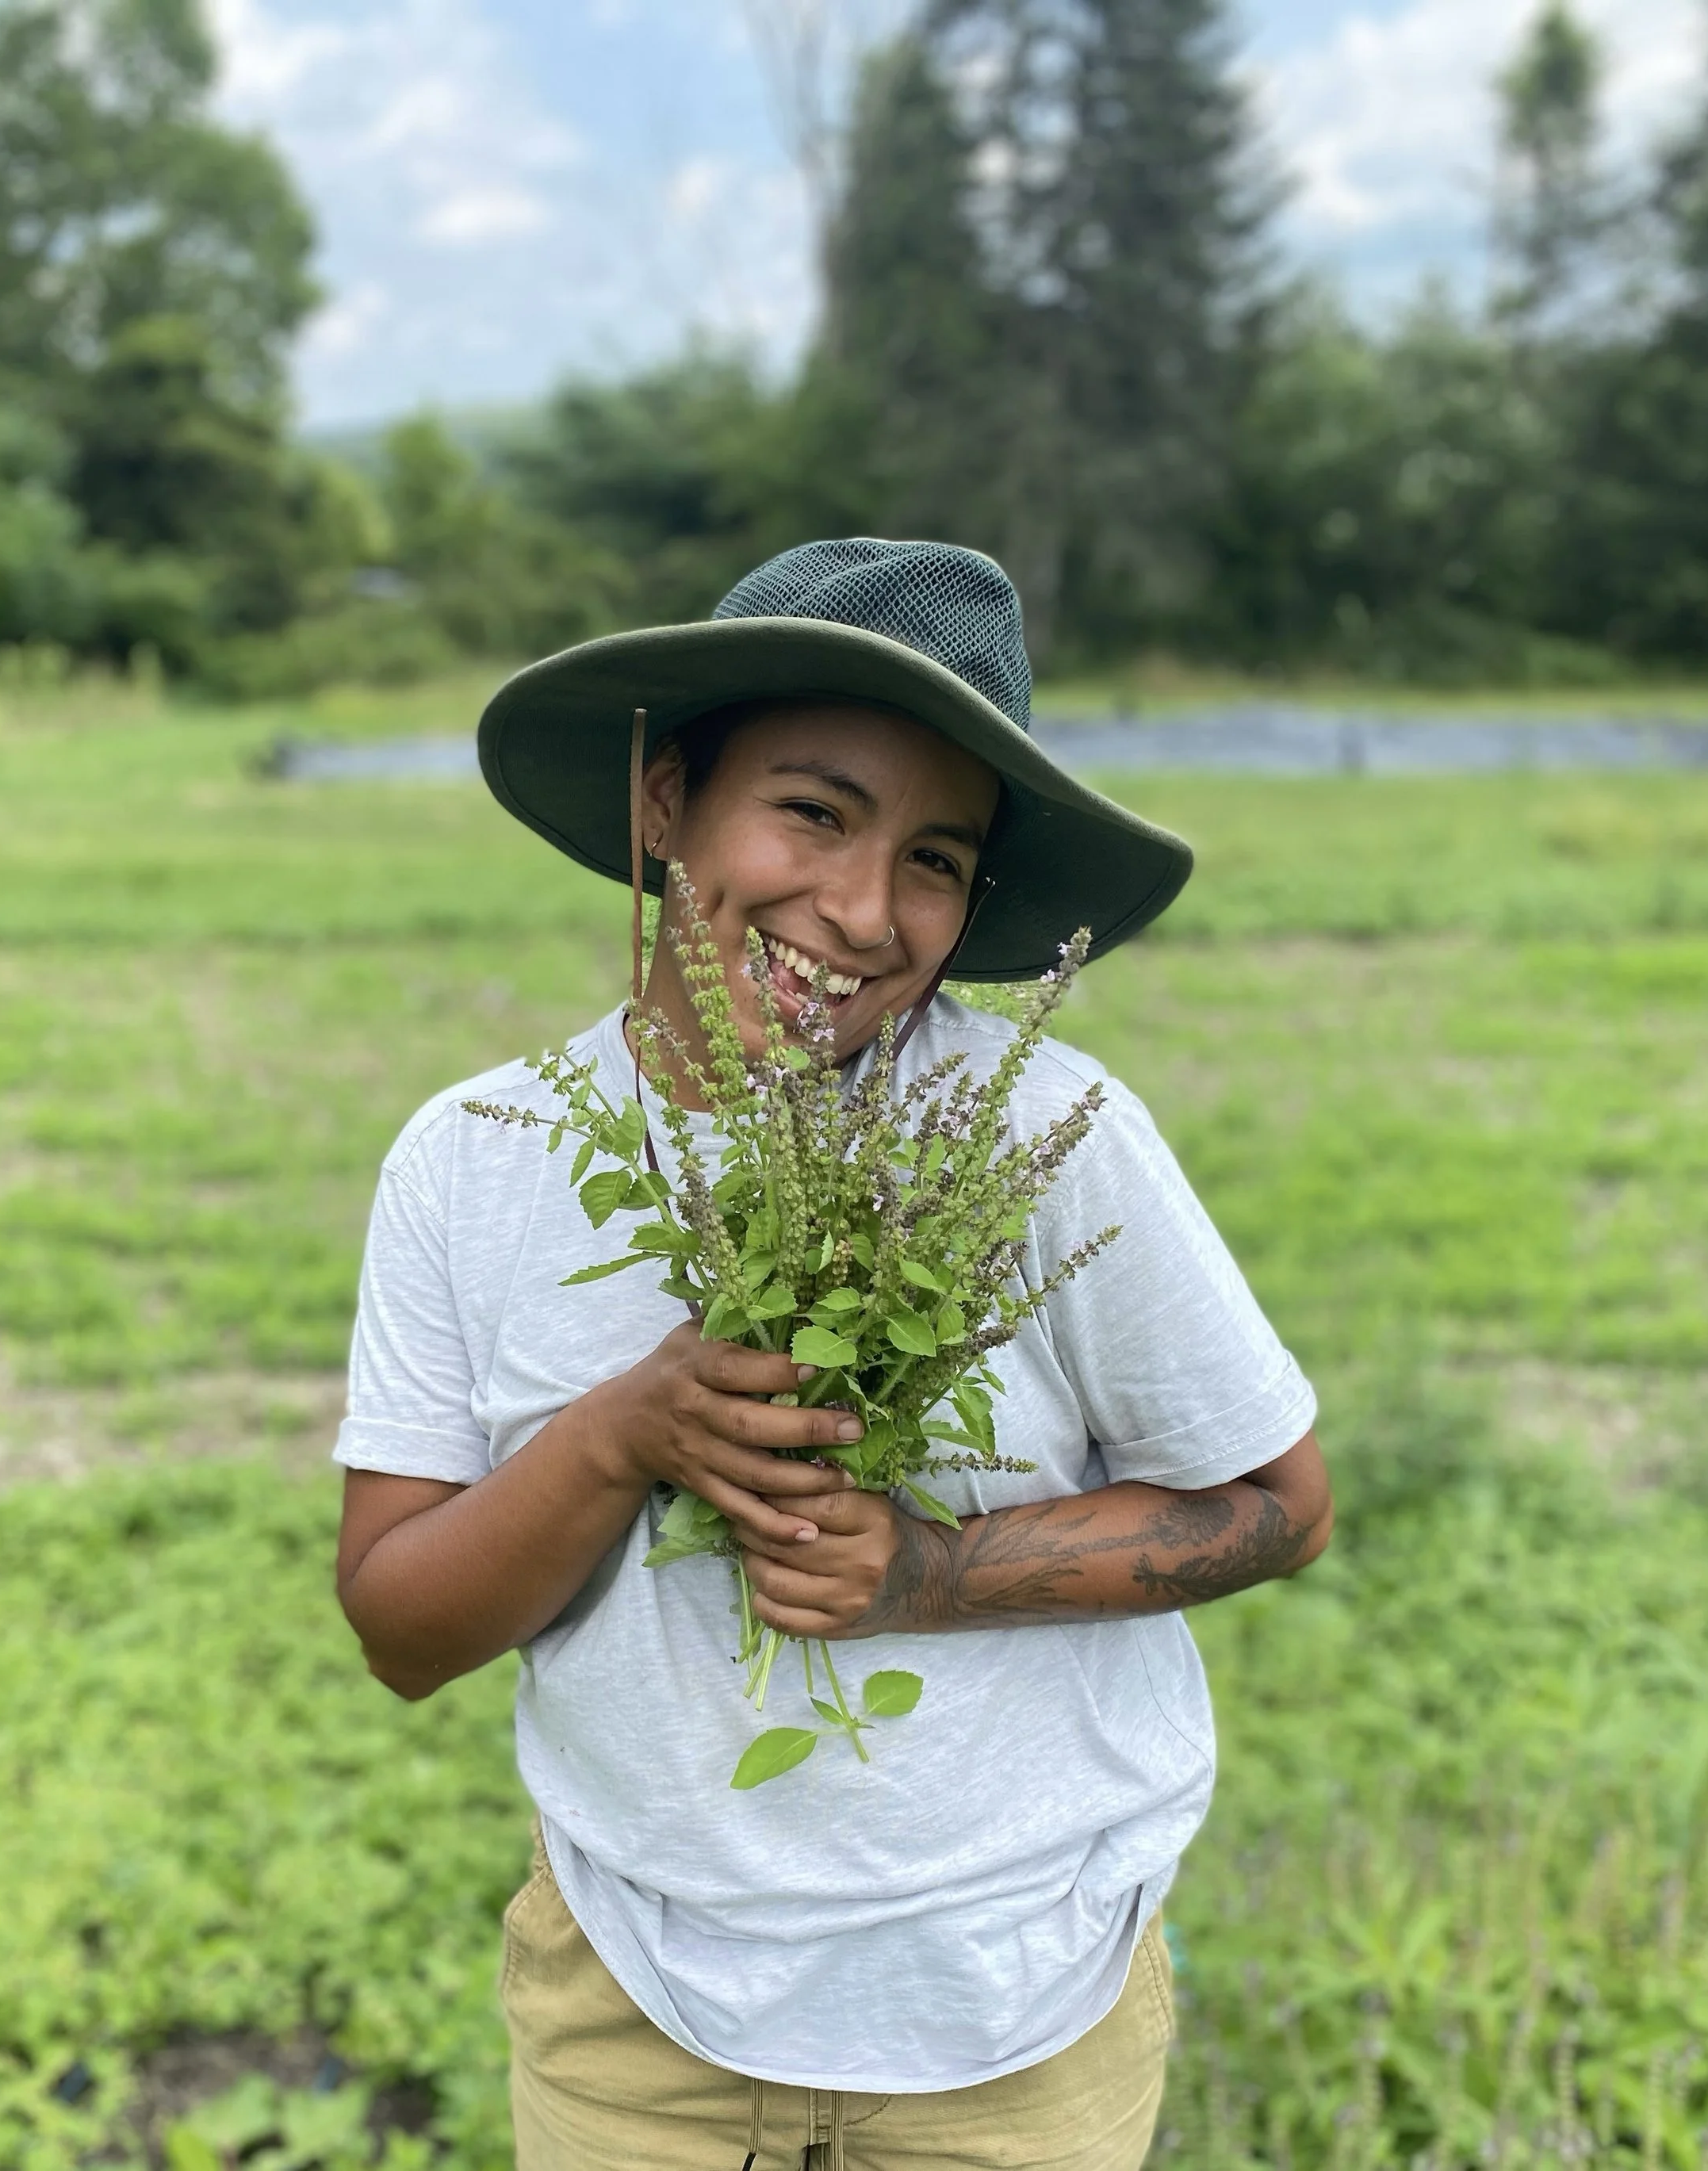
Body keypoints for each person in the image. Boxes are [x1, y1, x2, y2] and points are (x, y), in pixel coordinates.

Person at [332, 539, 1333, 2170]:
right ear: (667, 802)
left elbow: (1279, 1505)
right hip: (634, 2005)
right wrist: (621, 1434)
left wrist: (926, 1573)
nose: (863, 911)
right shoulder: (475, 1159)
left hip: (1015, 1999)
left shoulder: (1035, 1132)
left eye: (935, 859)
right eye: (811, 812)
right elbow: (400, 1628)